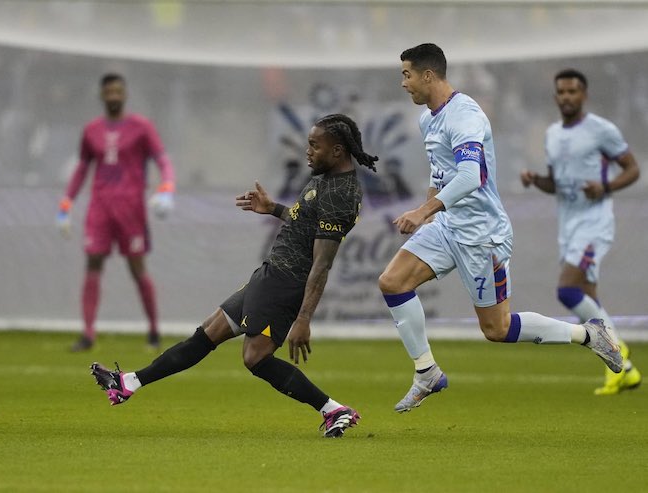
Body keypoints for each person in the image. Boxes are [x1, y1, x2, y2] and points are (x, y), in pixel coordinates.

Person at [90, 114, 377, 437]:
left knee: (255, 357)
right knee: (207, 333)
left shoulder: (341, 194)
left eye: (314, 146)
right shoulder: (326, 178)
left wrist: (304, 318)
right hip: (271, 274)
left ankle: (332, 409)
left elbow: (322, 263)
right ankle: (129, 382)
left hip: (285, 284)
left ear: (337, 151)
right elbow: (306, 224)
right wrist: (274, 209)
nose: (307, 152)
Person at [378, 43, 623, 413]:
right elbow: (440, 171)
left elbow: (471, 176)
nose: (403, 82)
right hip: (448, 225)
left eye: (406, 74)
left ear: (427, 75)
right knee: (392, 282)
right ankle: (427, 372)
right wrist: (430, 213)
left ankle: (589, 334)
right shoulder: (428, 119)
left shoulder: (465, 115)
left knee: (498, 329)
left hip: (482, 235)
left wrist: (424, 209)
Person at [520, 68, 641, 395]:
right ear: (555, 96)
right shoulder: (552, 134)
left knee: (568, 290)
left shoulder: (601, 130)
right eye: (561, 92)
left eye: (573, 91)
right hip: (568, 225)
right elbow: (556, 184)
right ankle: (624, 372)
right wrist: (536, 180)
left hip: (594, 222)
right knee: (588, 298)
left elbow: (633, 169)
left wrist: (605, 186)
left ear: (584, 95)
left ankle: (617, 351)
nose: (567, 97)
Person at [56, 73, 175, 352]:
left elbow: (162, 160)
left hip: (130, 209)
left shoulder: (142, 127)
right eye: (109, 91)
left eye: (118, 91)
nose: (113, 96)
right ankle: (88, 334)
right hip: (99, 207)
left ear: (125, 94)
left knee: (136, 267)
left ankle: (154, 330)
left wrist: (167, 187)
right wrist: (65, 204)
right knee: (93, 262)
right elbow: (82, 168)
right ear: (101, 95)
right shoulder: (91, 130)